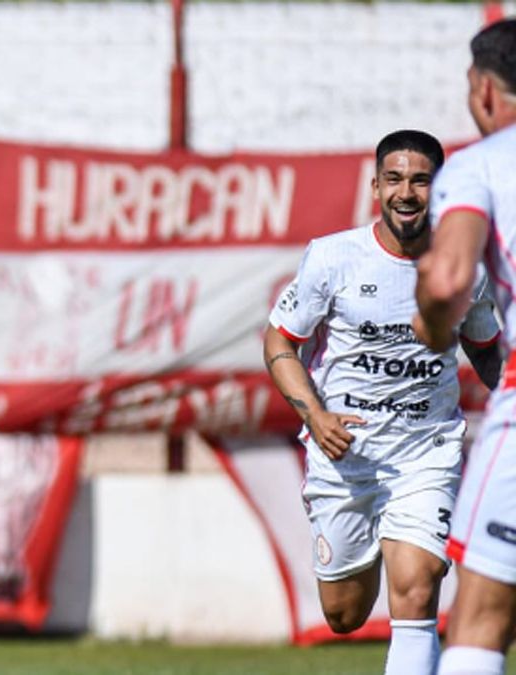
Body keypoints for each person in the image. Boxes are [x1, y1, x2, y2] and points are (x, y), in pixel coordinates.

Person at [263, 129, 502, 675]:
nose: (406, 192)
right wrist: (315, 415)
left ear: (439, 189)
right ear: (375, 186)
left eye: (421, 180)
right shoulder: (331, 258)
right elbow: (280, 340)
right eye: (394, 178)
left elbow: (488, 352)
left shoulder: (468, 265)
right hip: (346, 455)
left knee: (418, 589)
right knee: (343, 614)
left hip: (427, 449)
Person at [413, 18, 516, 675]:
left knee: (480, 618)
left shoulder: (482, 164)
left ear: (483, 91)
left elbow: (449, 277)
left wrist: (431, 320)